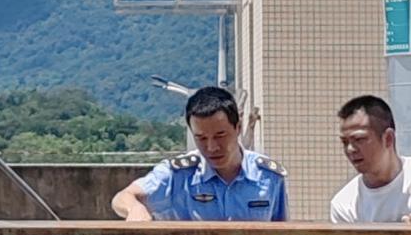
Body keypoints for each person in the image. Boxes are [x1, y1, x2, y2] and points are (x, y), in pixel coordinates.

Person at [111, 85, 288, 222]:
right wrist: (135, 208)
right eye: (201, 138)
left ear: (238, 128)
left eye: (220, 135)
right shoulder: (177, 175)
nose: (211, 147)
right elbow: (122, 197)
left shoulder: (269, 176)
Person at [330, 94, 411, 224]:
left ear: (388, 138)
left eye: (359, 140)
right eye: (345, 142)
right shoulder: (343, 203)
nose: (350, 149)